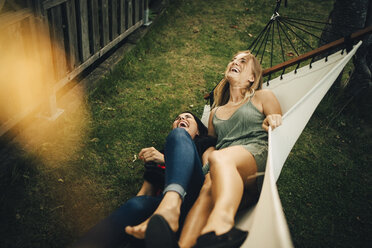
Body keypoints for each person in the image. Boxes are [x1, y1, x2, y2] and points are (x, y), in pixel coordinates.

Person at [174, 50, 282, 248]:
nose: (235, 62)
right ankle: (186, 244)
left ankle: (222, 225)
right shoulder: (215, 113)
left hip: (254, 160)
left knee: (221, 159)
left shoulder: (262, 97)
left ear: (252, 77)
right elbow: (211, 143)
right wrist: (207, 152)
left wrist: (273, 119)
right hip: (225, 177)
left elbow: (277, 124)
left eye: (243, 61)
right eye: (233, 59)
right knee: (207, 187)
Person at [71, 112, 216, 248]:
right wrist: (134, 215)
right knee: (136, 204)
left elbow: (208, 175)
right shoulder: (158, 154)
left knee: (179, 135)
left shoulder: (204, 145)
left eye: (187, 117)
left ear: (198, 131)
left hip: (194, 200)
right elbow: (146, 192)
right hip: (160, 211)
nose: (181, 119)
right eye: (177, 118)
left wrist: (165, 160)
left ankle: (171, 206)